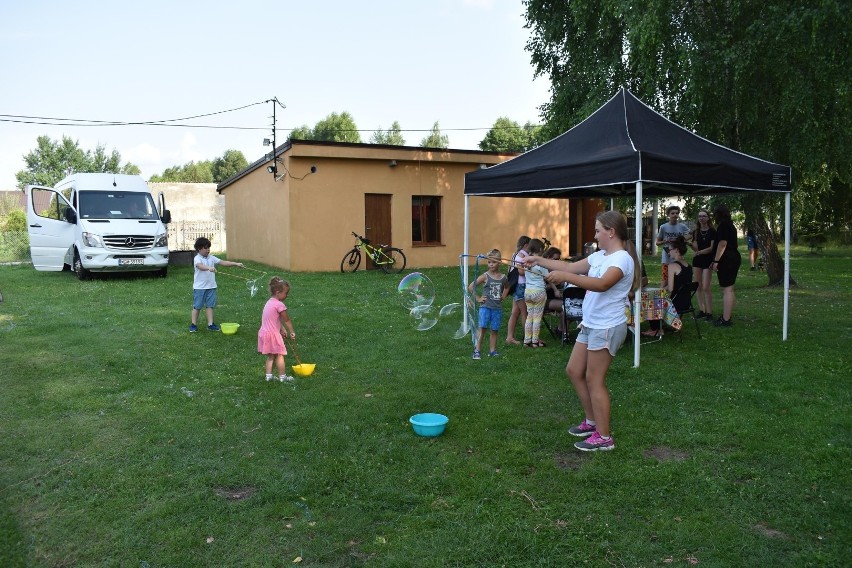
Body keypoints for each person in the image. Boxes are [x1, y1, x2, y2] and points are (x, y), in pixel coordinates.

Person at [527, 210, 640, 452]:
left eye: (598, 230)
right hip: (591, 323)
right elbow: (569, 265)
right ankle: (591, 422)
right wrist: (539, 261)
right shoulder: (600, 256)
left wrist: (567, 277)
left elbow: (602, 284)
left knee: (594, 379)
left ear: (611, 232)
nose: (595, 235)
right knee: (574, 370)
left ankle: (604, 437)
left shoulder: (621, 259)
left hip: (607, 325)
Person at [190, 237, 244, 332]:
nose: (208, 250)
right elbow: (199, 266)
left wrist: (236, 264)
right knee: (197, 306)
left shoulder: (212, 258)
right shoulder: (197, 258)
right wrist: (209, 268)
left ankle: (210, 324)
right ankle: (193, 324)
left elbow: (223, 262)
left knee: (210, 306)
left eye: (209, 248)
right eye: (205, 248)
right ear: (199, 248)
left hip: (211, 287)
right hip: (200, 288)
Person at [644, 236, 692, 337]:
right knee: (656, 296)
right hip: (687, 302)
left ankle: (655, 329)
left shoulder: (672, 266)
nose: (668, 252)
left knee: (650, 300)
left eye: (669, 250)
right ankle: (658, 327)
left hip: (675, 303)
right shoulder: (688, 266)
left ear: (676, 250)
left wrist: (659, 290)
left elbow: (670, 288)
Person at [468, 249, 509, 359]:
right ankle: (477, 350)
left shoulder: (503, 277)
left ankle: (492, 350)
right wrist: (478, 298)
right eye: (489, 262)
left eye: (494, 262)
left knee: (494, 330)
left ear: (499, 262)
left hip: (497, 309)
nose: (491, 264)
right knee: (482, 329)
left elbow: (507, 287)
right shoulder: (485, 276)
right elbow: (471, 286)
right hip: (485, 307)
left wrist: (503, 297)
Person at [258, 276, 297, 382]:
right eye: (286, 293)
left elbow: (274, 320)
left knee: (271, 356)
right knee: (279, 355)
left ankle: (268, 377)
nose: (287, 295)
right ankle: (283, 377)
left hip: (264, 333)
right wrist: (291, 331)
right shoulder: (279, 305)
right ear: (278, 292)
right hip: (272, 335)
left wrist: (282, 329)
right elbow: (287, 320)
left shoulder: (269, 302)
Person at [711, 204, 741, 327]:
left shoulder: (723, 226)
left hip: (727, 259)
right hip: (733, 257)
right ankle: (727, 315)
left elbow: (722, 243)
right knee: (730, 288)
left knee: (727, 289)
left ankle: (726, 319)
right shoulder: (730, 225)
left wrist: (716, 261)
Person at [689, 209, 716, 320]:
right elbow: (696, 248)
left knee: (705, 287)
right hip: (698, 261)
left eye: (704, 216)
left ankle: (709, 312)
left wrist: (699, 252)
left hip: (708, 260)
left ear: (708, 218)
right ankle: (702, 310)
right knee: (698, 286)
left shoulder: (713, 231)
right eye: (700, 216)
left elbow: (711, 248)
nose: (702, 218)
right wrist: (689, 244)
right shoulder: (696, 232)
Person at [523, 239, 549, 348]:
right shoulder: (540, 263)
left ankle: (526, 340)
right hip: (538, 292)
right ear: (539, 249)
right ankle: (535, 341)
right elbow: (547, 276)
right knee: (537, 317)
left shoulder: (526, 262)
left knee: (529, 316)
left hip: (528, 292)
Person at [656, 205, 691, 286]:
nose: (675, 215)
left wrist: (682, 239)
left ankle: (674, 297)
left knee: (676, 281)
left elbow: (691, 235)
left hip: (678, 258)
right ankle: (661, 298)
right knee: (664, 281)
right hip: (666, 258)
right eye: (672, 213)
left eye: (677, 213)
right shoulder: (663, 227)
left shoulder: (682, 226)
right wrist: (665, 241)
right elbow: (657, 243)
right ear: (668, 215)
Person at [505, 236, 530, 345]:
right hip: (521, 286)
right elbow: (521, 272)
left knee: (515, 312)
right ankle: (527, 338)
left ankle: (510, 337)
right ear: (526, 245)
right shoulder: (522, 256)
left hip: (515, 285)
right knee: (525, 312)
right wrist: (531, 269)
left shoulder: (515, 254)